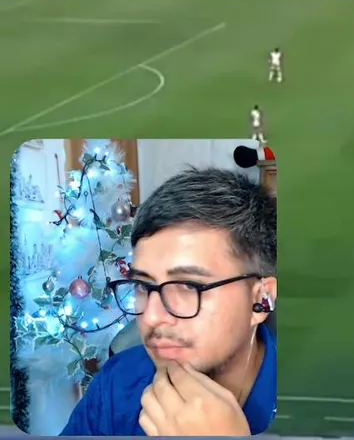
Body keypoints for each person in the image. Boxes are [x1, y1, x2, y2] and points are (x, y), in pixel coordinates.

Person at [61, 168, 277, 436]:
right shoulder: (117, 382)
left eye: (188, 286)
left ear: (261, 298)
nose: (151, 317)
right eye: (143, 286)